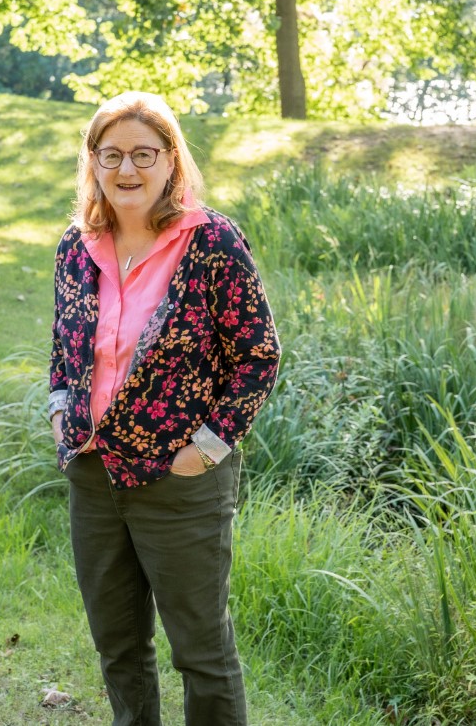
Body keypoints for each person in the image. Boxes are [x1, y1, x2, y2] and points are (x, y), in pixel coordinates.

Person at [49, 91, 281, 725]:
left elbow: (259, 354)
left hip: (180, 481)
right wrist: (61, 416)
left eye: (144, 155)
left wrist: (206, 447)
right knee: (118, 646)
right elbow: (64, 347)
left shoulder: (210, 241)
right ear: (92, 162)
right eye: (112, 155)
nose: (128, 170)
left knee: (201, 651)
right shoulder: (79, 245)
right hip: (94, 475)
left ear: (171, 160)